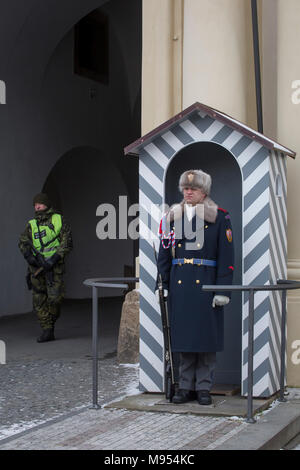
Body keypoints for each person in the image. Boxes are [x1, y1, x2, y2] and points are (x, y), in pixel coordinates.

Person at [156, 169, 234, 405]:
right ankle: (185, 386)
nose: (188, 192)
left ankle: (203, 388)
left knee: (205, 340)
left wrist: (222, 290)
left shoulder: (220, 217)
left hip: (207, 284)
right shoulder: (172, 216)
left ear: (204, 192)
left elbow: (227, 257)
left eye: (193, 189)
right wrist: (164, 283)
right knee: (184, 339)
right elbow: (164, 254)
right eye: (185, 188)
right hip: (181, 283)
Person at [19, 193, 73, 343]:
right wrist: (29, 257)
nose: (37, 206)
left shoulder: (58, 220)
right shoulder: (31, 224)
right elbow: (23, 242)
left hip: (54, 268)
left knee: (55, 299)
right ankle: (47, 330)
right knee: (38, 300)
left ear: (47, 204)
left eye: (40, 203)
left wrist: (55, 258)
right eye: (35, 204)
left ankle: (50, 322)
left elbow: (67, 242)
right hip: (36, 269)